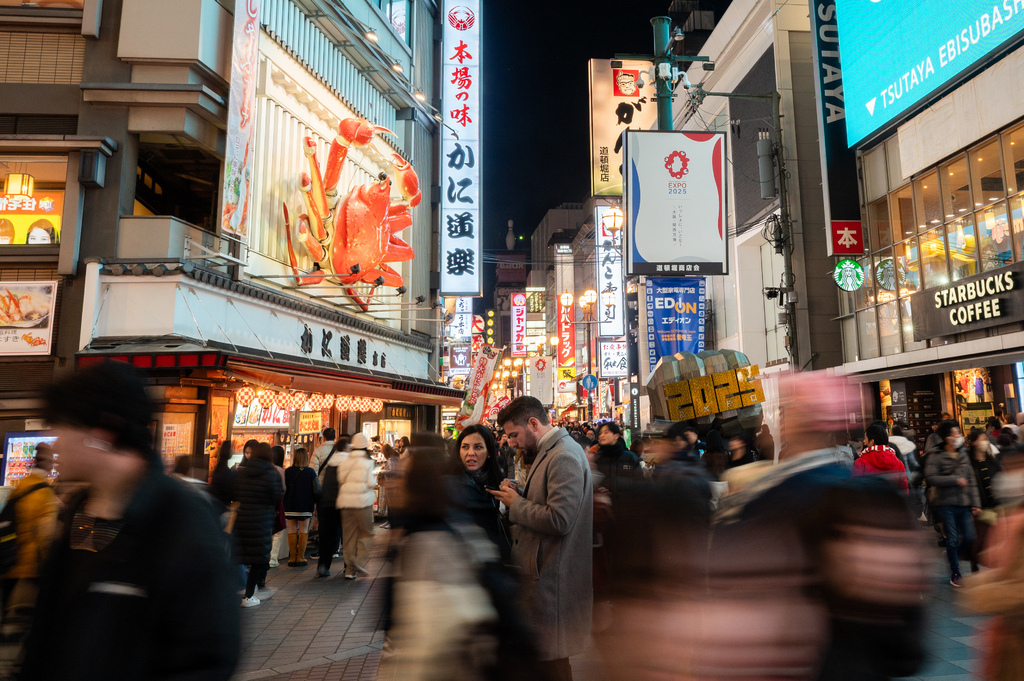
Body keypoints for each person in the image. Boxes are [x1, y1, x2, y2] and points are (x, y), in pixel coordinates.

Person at [20, 362, 239, 679]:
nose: (55, 443)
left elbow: (208, 658)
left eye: (63, 427)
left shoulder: (182, 522)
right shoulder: (77, 515)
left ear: (102, 432)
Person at [489, 396, 593, 681]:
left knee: (554, 666)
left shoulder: (563, 456)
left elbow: (560, 519)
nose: (511, 442)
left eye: (514, 434)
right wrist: (520, 495)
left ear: (533, 423)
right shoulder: (551, 452)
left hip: (552, 582)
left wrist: (516, 504)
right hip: (545, 578)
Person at [1, 443, 57, 642]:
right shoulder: (45, 494)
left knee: (8, 621)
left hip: (9, 565)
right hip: (30, 572)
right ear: (48, 465)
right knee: (24, 630)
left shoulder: (20, 487)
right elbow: (46, 536)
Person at [925, 420, 982, 587]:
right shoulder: (935, 455)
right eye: (956, 433)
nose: (959, 436)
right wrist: (955, 479)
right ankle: (956, 573)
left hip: (964, 503)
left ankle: (952, 555)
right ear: (947, 438)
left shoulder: (963, 453)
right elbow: (931, 477)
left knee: (970, 537)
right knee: (952, 539)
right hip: (945, 503)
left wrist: (976, 503)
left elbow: (971, 479)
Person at [449, 425, 511, 563]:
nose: (471, 453)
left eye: (477, 447)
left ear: (489, 452)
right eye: (465, 447)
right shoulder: (449, 486)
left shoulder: (498, 484)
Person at [234, 442, 283, 606]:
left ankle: (238, 589)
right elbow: (277, 496)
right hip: (261, 521)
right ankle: (248, 595)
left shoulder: (242, 473)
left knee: (241, 555)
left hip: (242, 521)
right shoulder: (272, 473)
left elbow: (235, 493)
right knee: (259, 559)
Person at [336, 433, 376, 579]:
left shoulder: (344, 463)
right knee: (367, 533)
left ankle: (349, 570)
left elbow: (341, 480)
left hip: (345, 503)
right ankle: (358, 561)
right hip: (362, 502)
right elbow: (370, 483)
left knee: (348, 536)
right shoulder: (367, 463)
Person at [968, 429, 1002, 573]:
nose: (984, 442)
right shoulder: (969, 462)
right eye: (981, 439)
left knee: (994, 538)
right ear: (974, 442)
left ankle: (993, 564)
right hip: (978, 507)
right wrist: (973, 505)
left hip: (994, 504)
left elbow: (999, 478)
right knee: (979, 539)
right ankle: (974, 562)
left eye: (985, 439)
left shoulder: (991, 460)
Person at [315, 436, 348, 574]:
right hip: (342, 503)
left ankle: (323, 566)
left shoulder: (331, 464)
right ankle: (349, 567)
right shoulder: (347, 462)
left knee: (326, 536)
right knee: (346, 535)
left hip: (326, 503)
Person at [284, 447, 320, 568]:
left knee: (292, 530)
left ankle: (292, 558)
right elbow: (317, 490)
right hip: (305, 505)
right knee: (304, 530)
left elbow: (283, 489)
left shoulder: (288, 471)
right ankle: (301, 557)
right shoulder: (310, 472)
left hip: (290, 505)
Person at [853, 424, 909, 494]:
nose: (864, 441)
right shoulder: (898, 463)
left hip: (869, 504)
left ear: (872, 442)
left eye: (865, 438)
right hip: (892, 503)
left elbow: (856, 489)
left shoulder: (860, 463)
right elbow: (904, 490)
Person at [593, 422, 642, 499]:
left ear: (616, 436)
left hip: (627, 506)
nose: (602, 435)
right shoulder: (597, 459)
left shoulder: (629, 458)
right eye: (600, 433)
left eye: (606, 432)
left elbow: (640, 484)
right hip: (604, 507)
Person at [268, 446, 287, 568]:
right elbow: (284, 488)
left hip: (265, 503)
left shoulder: (266, 468)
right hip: (277, 502)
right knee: (277, 532)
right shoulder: (280, 471)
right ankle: (273, 558)